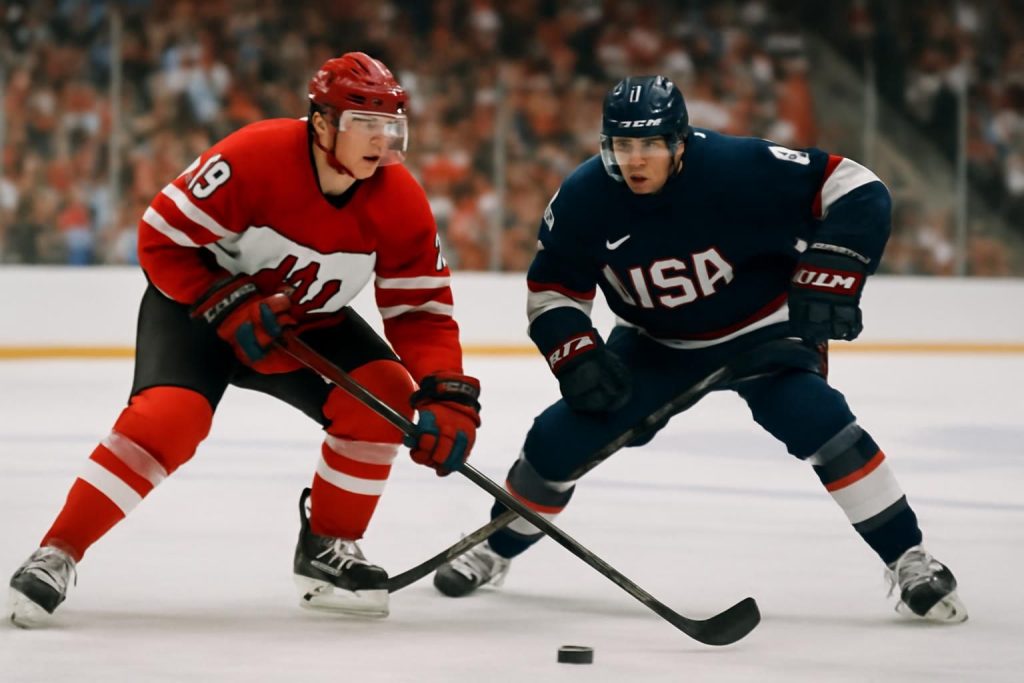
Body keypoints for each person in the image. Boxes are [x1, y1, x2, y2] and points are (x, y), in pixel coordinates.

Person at [432, 75, 966, 624]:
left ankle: (909, 558)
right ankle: (496, 547)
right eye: (623, 145)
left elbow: (856, 186)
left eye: (651, 144)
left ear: (680, 142)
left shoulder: (738, 166)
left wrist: (838, 262)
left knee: (818, 419)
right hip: (658, 344)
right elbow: (553, 290)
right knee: (555, 441)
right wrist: (575, 353)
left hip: (766, 331)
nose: (636, 160)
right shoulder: (584, 197)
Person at [8, 52, 482, 627]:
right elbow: (161, 239)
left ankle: (328, 549)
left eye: (390, 126)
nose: (380, 141)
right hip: (201, 312)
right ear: (322, 123)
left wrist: (445, 391)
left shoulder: (401, 200)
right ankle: (58, 551)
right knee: (168, 420)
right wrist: (222, 298)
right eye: (365, 124)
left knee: (384, 398)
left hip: (306, 323)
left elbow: (420, 311)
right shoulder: (254, 156)